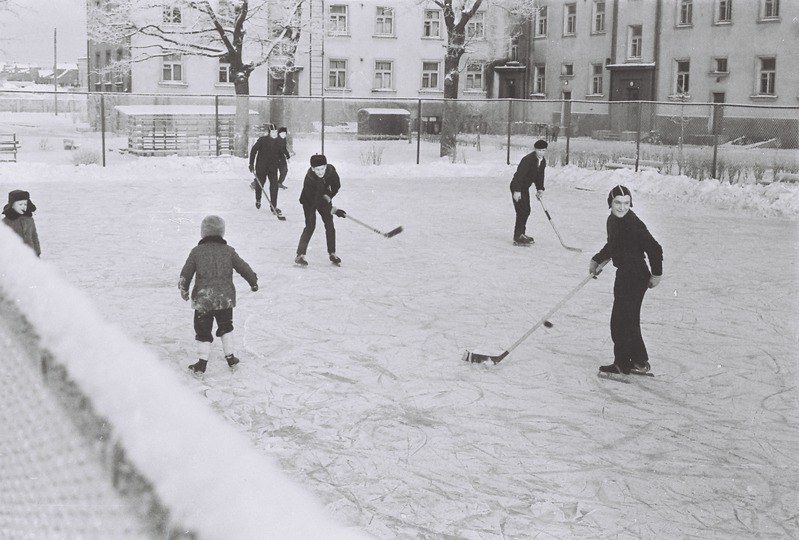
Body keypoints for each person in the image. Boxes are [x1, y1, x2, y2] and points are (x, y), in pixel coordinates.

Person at [590, 185, 663, 376]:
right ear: (610, 203)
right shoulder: (612, 220)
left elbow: (655, 248)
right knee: (628, 320)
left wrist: (657, 274)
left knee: (620, 321)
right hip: (625, 274)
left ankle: (622, 363)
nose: (622, 207)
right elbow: (613, 245)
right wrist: (597, 259)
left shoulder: (633, 223)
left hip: (635, 276)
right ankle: (638, 360)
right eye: (617, 203)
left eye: (626, 203)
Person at [179, 215, 258, 374]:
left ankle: (202, 363)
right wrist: (253, 281)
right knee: (226, 327)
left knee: (203, 331)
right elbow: (244, 268)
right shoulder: (228, 251)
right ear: (222, 233)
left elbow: (186, 273)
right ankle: (230, 358)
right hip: (224, 300)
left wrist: (184, 289)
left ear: (203, 233)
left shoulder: (196, 252)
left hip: (203, 300)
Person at [295, 154, 343, 266]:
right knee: (310, 226)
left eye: (322, 168)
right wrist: (333, 210)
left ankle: (332, 253)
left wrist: (329, 195)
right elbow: (315, 200)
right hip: (309, 201)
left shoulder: (331, 171)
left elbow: (336, 186)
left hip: (324, 197)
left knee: (329, 224)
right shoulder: (309, 179)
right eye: (317, 169)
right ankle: (300, 255)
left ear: (326, 166)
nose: (320, 172)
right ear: (312, 168)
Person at [509, 139, 547, 246]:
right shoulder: (528, 160)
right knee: (522, 210)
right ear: (535, 150)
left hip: (525, 188)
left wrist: (540, 189)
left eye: (543, 150)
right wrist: (516, 191)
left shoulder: (542, 161)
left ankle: (521, 233)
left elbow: (540, 176)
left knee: (526, 210)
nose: (541, 153)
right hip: (517, 186)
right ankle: (518, 236)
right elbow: (519, 175)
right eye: (539, 150)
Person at [248, 125, 283, 216]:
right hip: (261, 167)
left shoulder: (279, 142)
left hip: (273, 168)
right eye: (273, 132)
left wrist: (282, 166)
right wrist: (251, 163)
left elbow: (280, 155)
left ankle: (273, 207)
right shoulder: (262, 140)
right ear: (269, 132)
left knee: (274, 187)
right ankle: (258, 200)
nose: (274, 134)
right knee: (260, 185)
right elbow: (253, 150)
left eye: (276, 132)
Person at [2, 189, 41, 257]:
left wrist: (37, 252)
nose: (23, 206)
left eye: (25, 204)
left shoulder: (29, 220)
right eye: (20, 204)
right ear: (12, 205)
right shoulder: (5, 222)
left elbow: (34, 236)